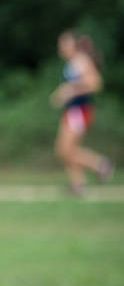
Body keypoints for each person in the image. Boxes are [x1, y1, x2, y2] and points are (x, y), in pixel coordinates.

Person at [51, 30, 113, 195]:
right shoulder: (72, 63)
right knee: (65, 150)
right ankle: (79, 184)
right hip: (73, 111)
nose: (61, 47)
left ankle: (100, 165)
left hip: (79, 111)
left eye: (64, 43)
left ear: (74, 45)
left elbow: (95, 84)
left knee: (65, 149)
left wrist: (70, 91)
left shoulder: (81, 61)